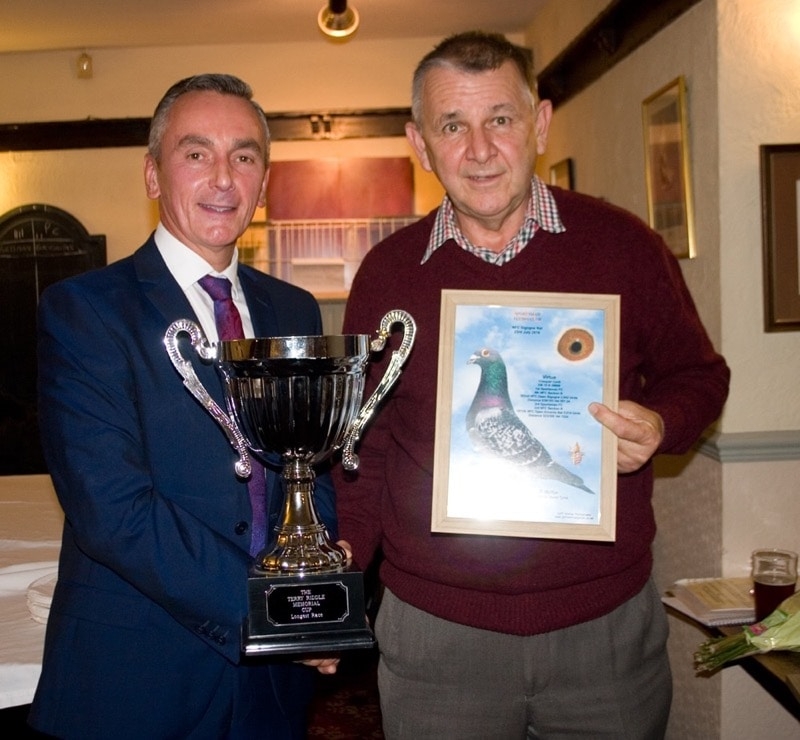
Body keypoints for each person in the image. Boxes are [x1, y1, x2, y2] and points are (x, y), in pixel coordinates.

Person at [332, 32, 730, 739]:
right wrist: (341, 570)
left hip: (604, 633)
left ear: (540, 125)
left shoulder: (625, 248)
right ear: (419, 143)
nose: (479, 149)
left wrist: (663, 424)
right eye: (453, 125)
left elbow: (701, 375)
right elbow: (368, 446)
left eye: (501, 120)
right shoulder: (387, 277)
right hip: (435, 637)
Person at [29, 74, 339, 740]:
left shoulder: (294, 310)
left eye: (246, 156)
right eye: (197, 153)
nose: (224, 178)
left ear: (264, 180)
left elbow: (313, 467)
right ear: (152, 174)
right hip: (137, 675)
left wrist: (318, 583)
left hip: (274, 688)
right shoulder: (84, 311)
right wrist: (273, 608)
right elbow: (111, 509)